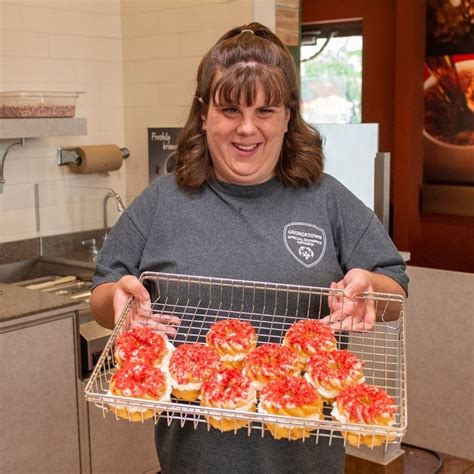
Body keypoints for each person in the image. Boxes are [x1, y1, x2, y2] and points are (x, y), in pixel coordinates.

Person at [91, 22, 408, 474]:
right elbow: (104, 292)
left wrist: (370, 289)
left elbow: (394, 290)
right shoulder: (162, 202)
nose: (246, 129)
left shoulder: (327, 198)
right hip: (191, 464)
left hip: (307, 464)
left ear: (288, 115)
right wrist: (116, 303)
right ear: (204, 114)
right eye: (229, 109)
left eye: (265, 110)